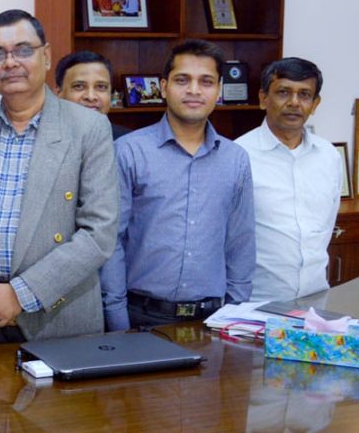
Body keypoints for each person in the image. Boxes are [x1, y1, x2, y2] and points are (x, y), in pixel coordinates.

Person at [0, 9, 119, 346]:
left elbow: (99, 233)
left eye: (23, 50)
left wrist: (20, 294)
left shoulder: (89, 128)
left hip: (58, 318)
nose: (10, 62)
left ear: (47, 56)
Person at [100, 39, 255, 331]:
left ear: (219, 90)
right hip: (141, 317)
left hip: (212, 319)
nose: (194, 90)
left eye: (206, 81)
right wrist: (118, 318)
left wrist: (233, 314)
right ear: (163, 86)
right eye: (183, 80)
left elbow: (241, 243)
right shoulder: (129, 151)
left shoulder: (236, 159)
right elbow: (111, 242)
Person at [236, 58, 341, 301]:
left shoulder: (328, 156)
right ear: (263, 99)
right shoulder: (238, 156)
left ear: (315, 104)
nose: (294, 103)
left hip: (316, 298)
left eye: (304, 95)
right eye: (283, 92)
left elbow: (326, 227)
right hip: (254, 304)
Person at [52, 50, 130, 139]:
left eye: (101, 87)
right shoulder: (40, 140)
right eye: (79, 86)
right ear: (58, 93)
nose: (91, 97)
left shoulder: (127, 142)